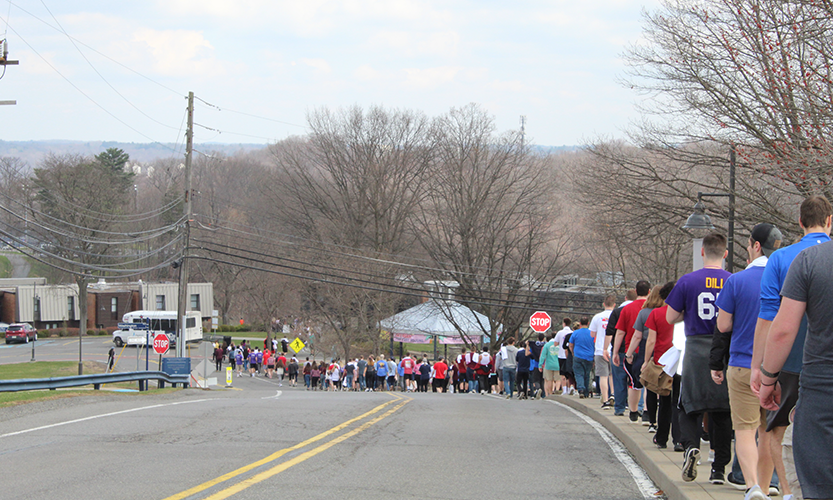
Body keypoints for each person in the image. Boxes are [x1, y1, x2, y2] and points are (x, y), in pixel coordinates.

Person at [752, 195, 832, 500]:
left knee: (781, 432)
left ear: (799, 222)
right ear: (829, 221)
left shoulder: (799, 260)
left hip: (815, 380)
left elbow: (778, 326)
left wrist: (764, 373)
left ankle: (786, 491)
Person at [713, 224, 782, 499]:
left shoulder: (736, 281)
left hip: (742, 364)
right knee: (769, 431)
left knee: (744, 431)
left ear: (755, 245)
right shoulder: (787, 278)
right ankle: (768, 484)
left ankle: (752, 485)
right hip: (777, 366)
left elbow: (723, 324)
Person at [666, 232, 733, 485]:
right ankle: (719, 469)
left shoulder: (687, 281)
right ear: (725, 254)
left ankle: (691, 446)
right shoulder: (732, 280)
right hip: (724, 347)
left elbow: (670, 318)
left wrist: (688, 314)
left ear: (702, 252)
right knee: (722, 409)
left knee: (689, 404)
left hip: (695, 347)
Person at [642, 281, 678, 449]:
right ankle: (680, 439)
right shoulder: (686, 313)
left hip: (662, 362)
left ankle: (662, 437)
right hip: (682, 360)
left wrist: (645, 361)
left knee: (664, 401)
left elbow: (651, 340)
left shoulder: (656, 314)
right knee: (680, 401)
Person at [629, 285, 666, 430]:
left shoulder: (644, 313)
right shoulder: (668, 313)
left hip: (646, 346)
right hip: (665, 347)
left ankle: (647, 413)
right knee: (662, 383)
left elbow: (637, 336)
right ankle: (654, 414)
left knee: (648, 381)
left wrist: (629, 353)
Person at [614, 280, 651, 422]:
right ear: (649, 291)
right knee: (649, 383)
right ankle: (647, 412)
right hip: (650, 350)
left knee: (633, 383)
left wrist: (616, 352)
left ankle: (633, 411)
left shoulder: (627, 309)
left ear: (636, 292)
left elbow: (620, 332)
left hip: (631, 351)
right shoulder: (654, 309)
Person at [606, 289, 636, 416]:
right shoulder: (642, 310)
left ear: (625, 298)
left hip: (621, 349)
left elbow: (611, 332)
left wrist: (610, 350)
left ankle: (619, 408)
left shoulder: (617, 312)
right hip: (637, 350)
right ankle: (637, 407)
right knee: (636, 381)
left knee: (619, 380)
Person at [590, 295, 616, 409]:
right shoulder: (616, 315)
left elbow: (592, 334)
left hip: (600, 350)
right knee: (613, 375)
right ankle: (614, 396)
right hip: (614, 349)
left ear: (604, 304)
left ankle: (605, 400)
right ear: (614, 305)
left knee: (603, 376)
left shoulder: (597, 317)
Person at [569, 316, 595, 398]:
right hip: (590, 356)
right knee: (587, 374)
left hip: (578, 356)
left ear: (580, 323)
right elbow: (595, 345)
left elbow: (570, 344)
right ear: (588, 323)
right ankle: (587, 391)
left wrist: (573, 352)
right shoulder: (592, 333)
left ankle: (581, 390)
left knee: (579, 374)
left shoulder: (575, 333)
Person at [539, 332, 560, 399]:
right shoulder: (560, 345)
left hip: (548, 365)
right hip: (558, 364)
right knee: (558, 379)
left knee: (549, 380)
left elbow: (543, 356)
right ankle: (556, 390)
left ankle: (550, 394)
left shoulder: (547, 345)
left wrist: (540, 365)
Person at [553, 320, 572, 395]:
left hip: (561, 355)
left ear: (564, 323)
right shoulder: (572, 332)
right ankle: (571, 387)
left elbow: (555, 343)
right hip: (570, 356)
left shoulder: (560, 332)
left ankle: (564, 389)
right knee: (570, 373)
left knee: (563, 373)